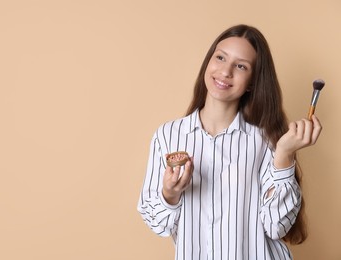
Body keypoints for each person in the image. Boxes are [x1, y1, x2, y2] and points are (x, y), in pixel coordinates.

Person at [137, 24, 322, 260]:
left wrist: (285, 153)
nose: (225, 71)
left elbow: (277, 226)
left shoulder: (266, 140)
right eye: (220, 58)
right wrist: (169, 193)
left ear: (253, 82)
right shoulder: (168, 135)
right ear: (208, 62)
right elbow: (157, 224)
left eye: (241, 66)